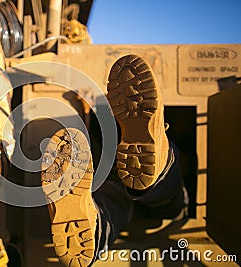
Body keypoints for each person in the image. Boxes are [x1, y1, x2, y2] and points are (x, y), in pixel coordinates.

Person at [41, 55, 189, 267]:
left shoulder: (101, 124)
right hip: (140, 193)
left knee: (112, 209)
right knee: (171, 199)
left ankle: (94, 225)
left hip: (115, 185)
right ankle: (163, 161)